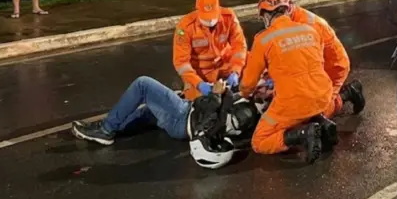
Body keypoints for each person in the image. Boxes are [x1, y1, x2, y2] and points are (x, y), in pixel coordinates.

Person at [71, 76, 267, 169]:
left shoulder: (249, 113)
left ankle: (105, 131)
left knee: (143, 85)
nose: (261, 83)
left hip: (183, 118)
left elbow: (214, 124)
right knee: (150, 111)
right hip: (184, 116)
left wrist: (216, 95)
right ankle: (109, 127)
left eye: (266, 85)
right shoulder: (251, 106)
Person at [240, 0, 334, 164]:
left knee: (259, 141)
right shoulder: (309, 30)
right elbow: (307, 64)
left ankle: (303, 134)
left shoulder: (264, 39)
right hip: (323, 97)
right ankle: (321, 122)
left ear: (267, 15)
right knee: (302, 106)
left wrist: (245, 94)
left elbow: (248, 83)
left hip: (294, 102)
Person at [259, 0, 365, 122]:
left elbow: (309, 67)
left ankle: (348, 93)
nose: (269, 21)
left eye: (271, 14)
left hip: (332, 68)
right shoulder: (289, 22)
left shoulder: (308, 26)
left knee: (313, 115)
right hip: (317, 65)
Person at [174, 0, 247, 101]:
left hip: (225, 65)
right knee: (200, 106)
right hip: (200, 73)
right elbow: (181, 63)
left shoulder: (229, 17)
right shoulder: (185, 27)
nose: (210, 21)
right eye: (206, 17)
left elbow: (240, 46)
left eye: (212, 16)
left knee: (254, 64)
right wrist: (198, 84)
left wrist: (236, 70)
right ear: (198, 11)